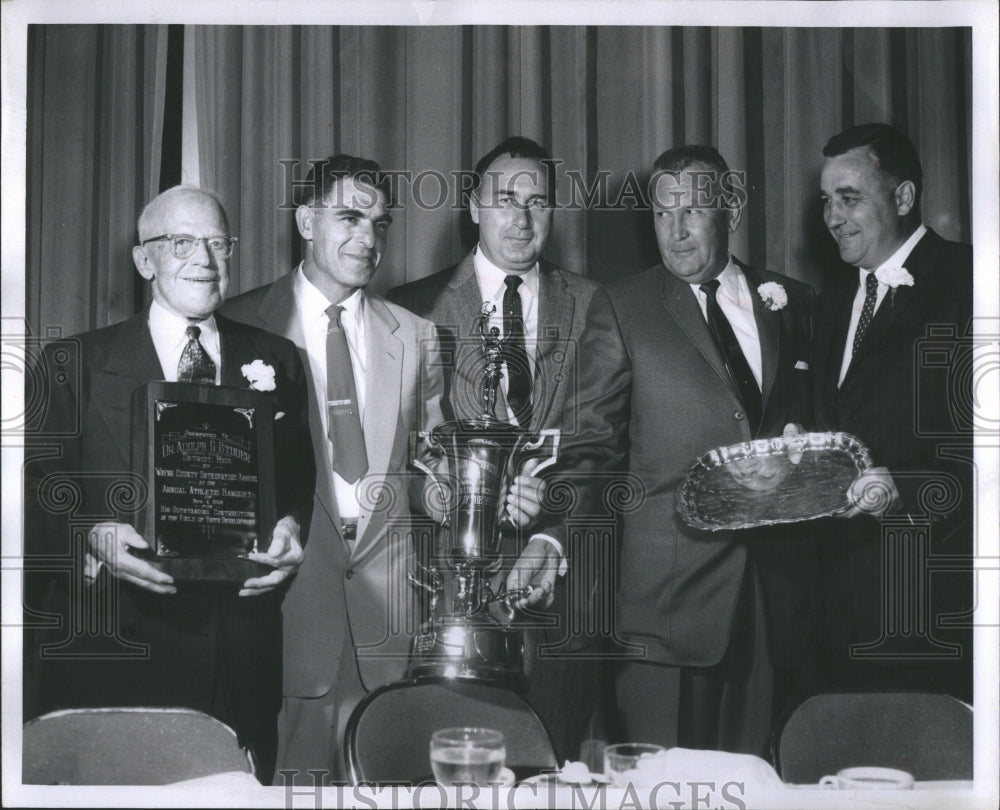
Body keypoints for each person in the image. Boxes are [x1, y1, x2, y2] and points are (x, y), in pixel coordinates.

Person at [23, 185, 315, 783]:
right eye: (181, 243)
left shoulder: (277, 358)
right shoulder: (71, 363)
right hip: (117, 656)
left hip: (240, 658)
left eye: (217, 243)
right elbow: (33, 491)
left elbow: (295, 477)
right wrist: (91, 533)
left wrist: (290, 528)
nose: (203, 260)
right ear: (144, 260)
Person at [557, 145, 816, 757]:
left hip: (775, 600)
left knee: (757, 787)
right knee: (660, 783)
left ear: (729, 208)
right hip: (664, 607)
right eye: (662, 212)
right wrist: (557, 541)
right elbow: (590, 449)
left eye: (694, 209)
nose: (675, 229)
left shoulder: (794, 301)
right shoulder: (620, 306)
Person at [224, 155, 454, 784]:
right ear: (305, 220)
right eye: (349, 217)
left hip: (389, 629)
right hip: (282, 616)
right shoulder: (237, 327)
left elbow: (428, 471)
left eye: (381, 224)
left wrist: (460, 492)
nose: (368, 238)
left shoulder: (417, 336)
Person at [387, 136, 602, 762]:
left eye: (538, 201)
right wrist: (442, 492)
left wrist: (553, 521)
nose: (522, 216)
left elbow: (611, 445)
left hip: (560, 590)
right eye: (505, 199)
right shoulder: (410, 308)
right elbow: (389, 454)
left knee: (550, 767)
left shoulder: (597, 307)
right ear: (472, 207)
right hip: (441, 593)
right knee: (450, 767)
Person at [814, 123, 973, 701]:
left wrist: (905, 485)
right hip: (840, 609)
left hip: (933, 604)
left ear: (903, 198)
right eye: (826, 201)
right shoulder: (830, 301)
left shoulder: (973, 281)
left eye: (850, 197)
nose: (833, 216)